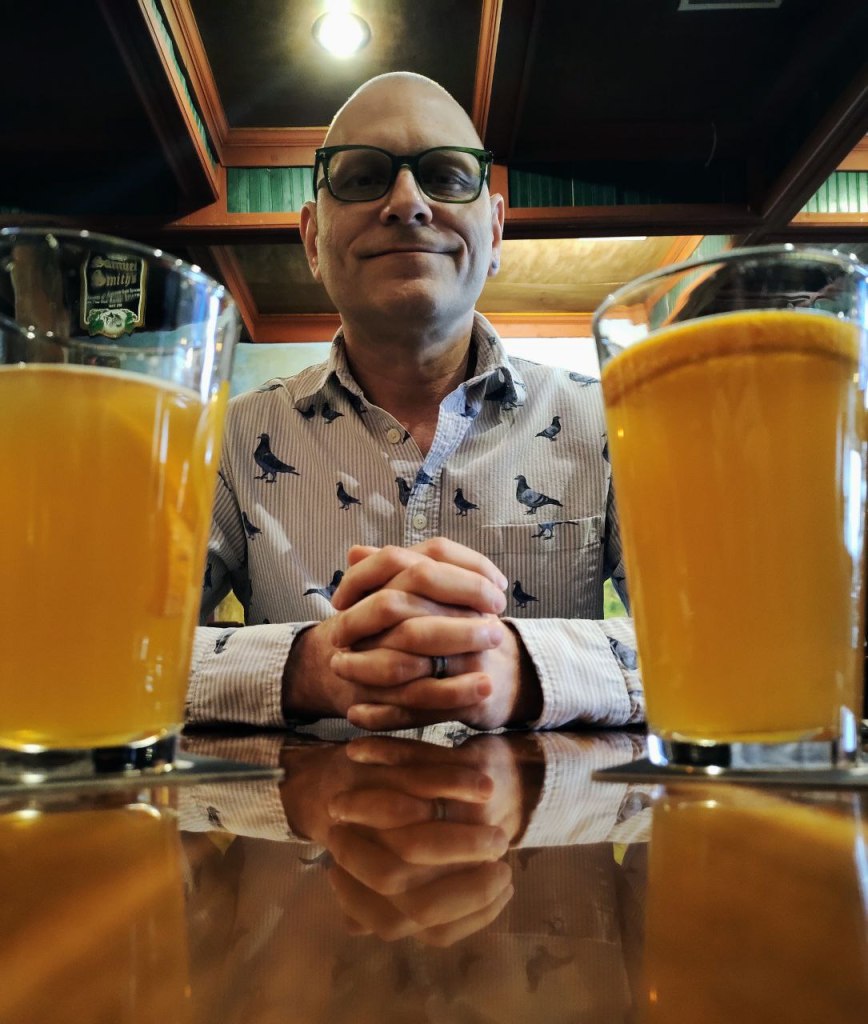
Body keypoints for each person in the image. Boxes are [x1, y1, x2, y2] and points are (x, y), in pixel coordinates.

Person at [188, 71, 640, 732]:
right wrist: (310, 667)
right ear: (313, 240)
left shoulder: (611, 423)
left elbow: (723, 643)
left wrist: (524, 666)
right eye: (363, 177)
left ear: (496, 230)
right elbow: (109, 651)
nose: (407, 202)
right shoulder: (231, 435)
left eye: (448, 176)